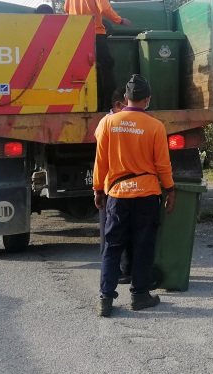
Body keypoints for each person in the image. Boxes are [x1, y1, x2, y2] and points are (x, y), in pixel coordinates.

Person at [94, 74, 175, 317]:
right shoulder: (155, 126)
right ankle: (139, 295)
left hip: (117, 195)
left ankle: (105, 298)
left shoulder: (108, 123)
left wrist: (98, 189)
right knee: (143, 246)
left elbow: (100, 161)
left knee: (112, 246)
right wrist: (170, 190)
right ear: (147, 99)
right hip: (146, 195)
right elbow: (163, 165)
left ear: (125, 98)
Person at [64, 0, 132, 112]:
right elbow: (105, 9)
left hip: (77, 34)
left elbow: (66, 9)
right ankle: (110, 105)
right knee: (106, 66)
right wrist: (120, 20)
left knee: (83, 70)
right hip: (95, 33)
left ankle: (83, 104)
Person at [96, 90, 133, 284]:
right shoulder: (110, 123)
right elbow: (101, 160)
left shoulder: (107, 123)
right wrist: (98, 189)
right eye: (128, 104)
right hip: (114, 187)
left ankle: (123, 271)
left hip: (115, 187)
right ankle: (114, 273)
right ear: (118, 105)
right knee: (113, 233)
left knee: (117, 231)